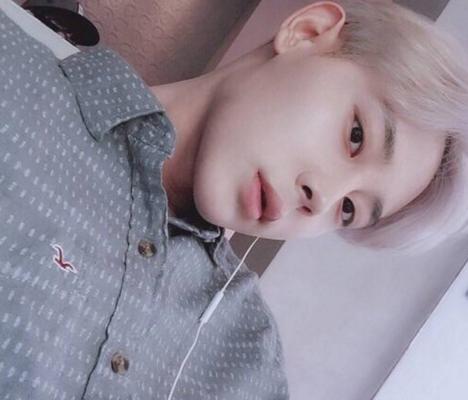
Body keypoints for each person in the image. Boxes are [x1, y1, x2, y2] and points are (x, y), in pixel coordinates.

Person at [0, 1, 467, 399]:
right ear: (307, 32)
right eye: (356, 135)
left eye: (349, 209)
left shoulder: (247, 357)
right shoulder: (13, 80)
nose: (323, 198)